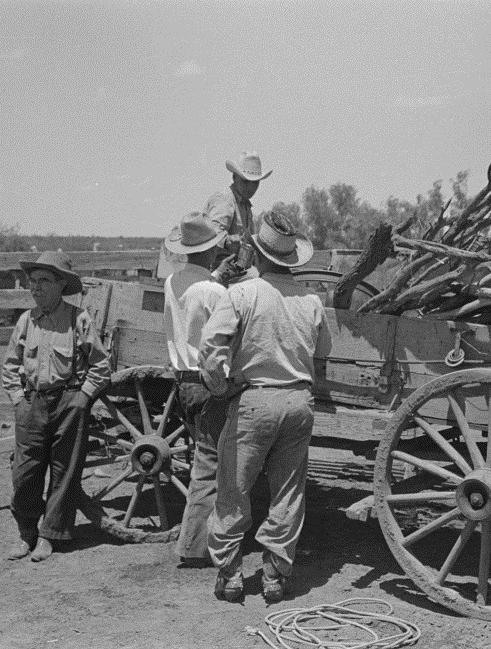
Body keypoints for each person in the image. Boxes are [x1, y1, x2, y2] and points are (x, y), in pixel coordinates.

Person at [199, 212, 331, 604]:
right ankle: (274, 574)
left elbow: (210, 348)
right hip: (298, 401)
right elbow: (322, 354)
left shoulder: (242, 294)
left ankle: (230, 573)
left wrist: (222, 387)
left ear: (257, 252)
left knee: (233, 489)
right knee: (288, 492)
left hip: (254, 400)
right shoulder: (311, 301)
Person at [1, 251, 110, 562]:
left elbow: (100, 364)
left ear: (61, 285)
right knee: (25, 473)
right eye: (32, 282)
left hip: (68, 403)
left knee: (64, 472)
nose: (35, 288)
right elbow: (9, 366)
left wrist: (83, 397)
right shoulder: (26, 320)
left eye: (44, 281)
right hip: (32, 404)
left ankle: (50, 535)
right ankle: (26, 533)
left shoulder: (79, 319)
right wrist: (18, 401)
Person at [162, 211, 240, 567]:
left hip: (183, 380)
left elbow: (195, 303)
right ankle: (193, 546)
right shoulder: (214, 291)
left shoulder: (172, 281)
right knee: (210, 465)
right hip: (208, 382)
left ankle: (208, 535)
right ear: (212, 250)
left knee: (204, 457)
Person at [203, 151, 272, 284]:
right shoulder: (225, 199)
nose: (251, 188)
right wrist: (227, 241)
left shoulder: (244, 205)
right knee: (260, 281)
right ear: (234, 177)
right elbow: (210, 234)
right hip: (220, 268)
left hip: (236, 269)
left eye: (255, 183)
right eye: (246, 182)